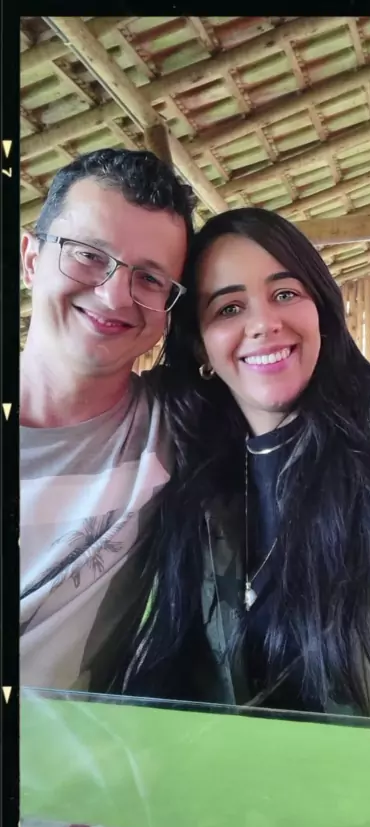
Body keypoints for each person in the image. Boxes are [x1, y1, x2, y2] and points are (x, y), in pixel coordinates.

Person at [119, 207, 370, 724]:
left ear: (321, 308)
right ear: (200, 346)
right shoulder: (190, 475)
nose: (264, 324)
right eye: (229, 308)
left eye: (284, 294)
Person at [20, 148, 194, 691]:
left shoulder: (176, 429)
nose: (114, 294)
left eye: (150, 278)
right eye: (88, 255)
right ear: (30, 259)